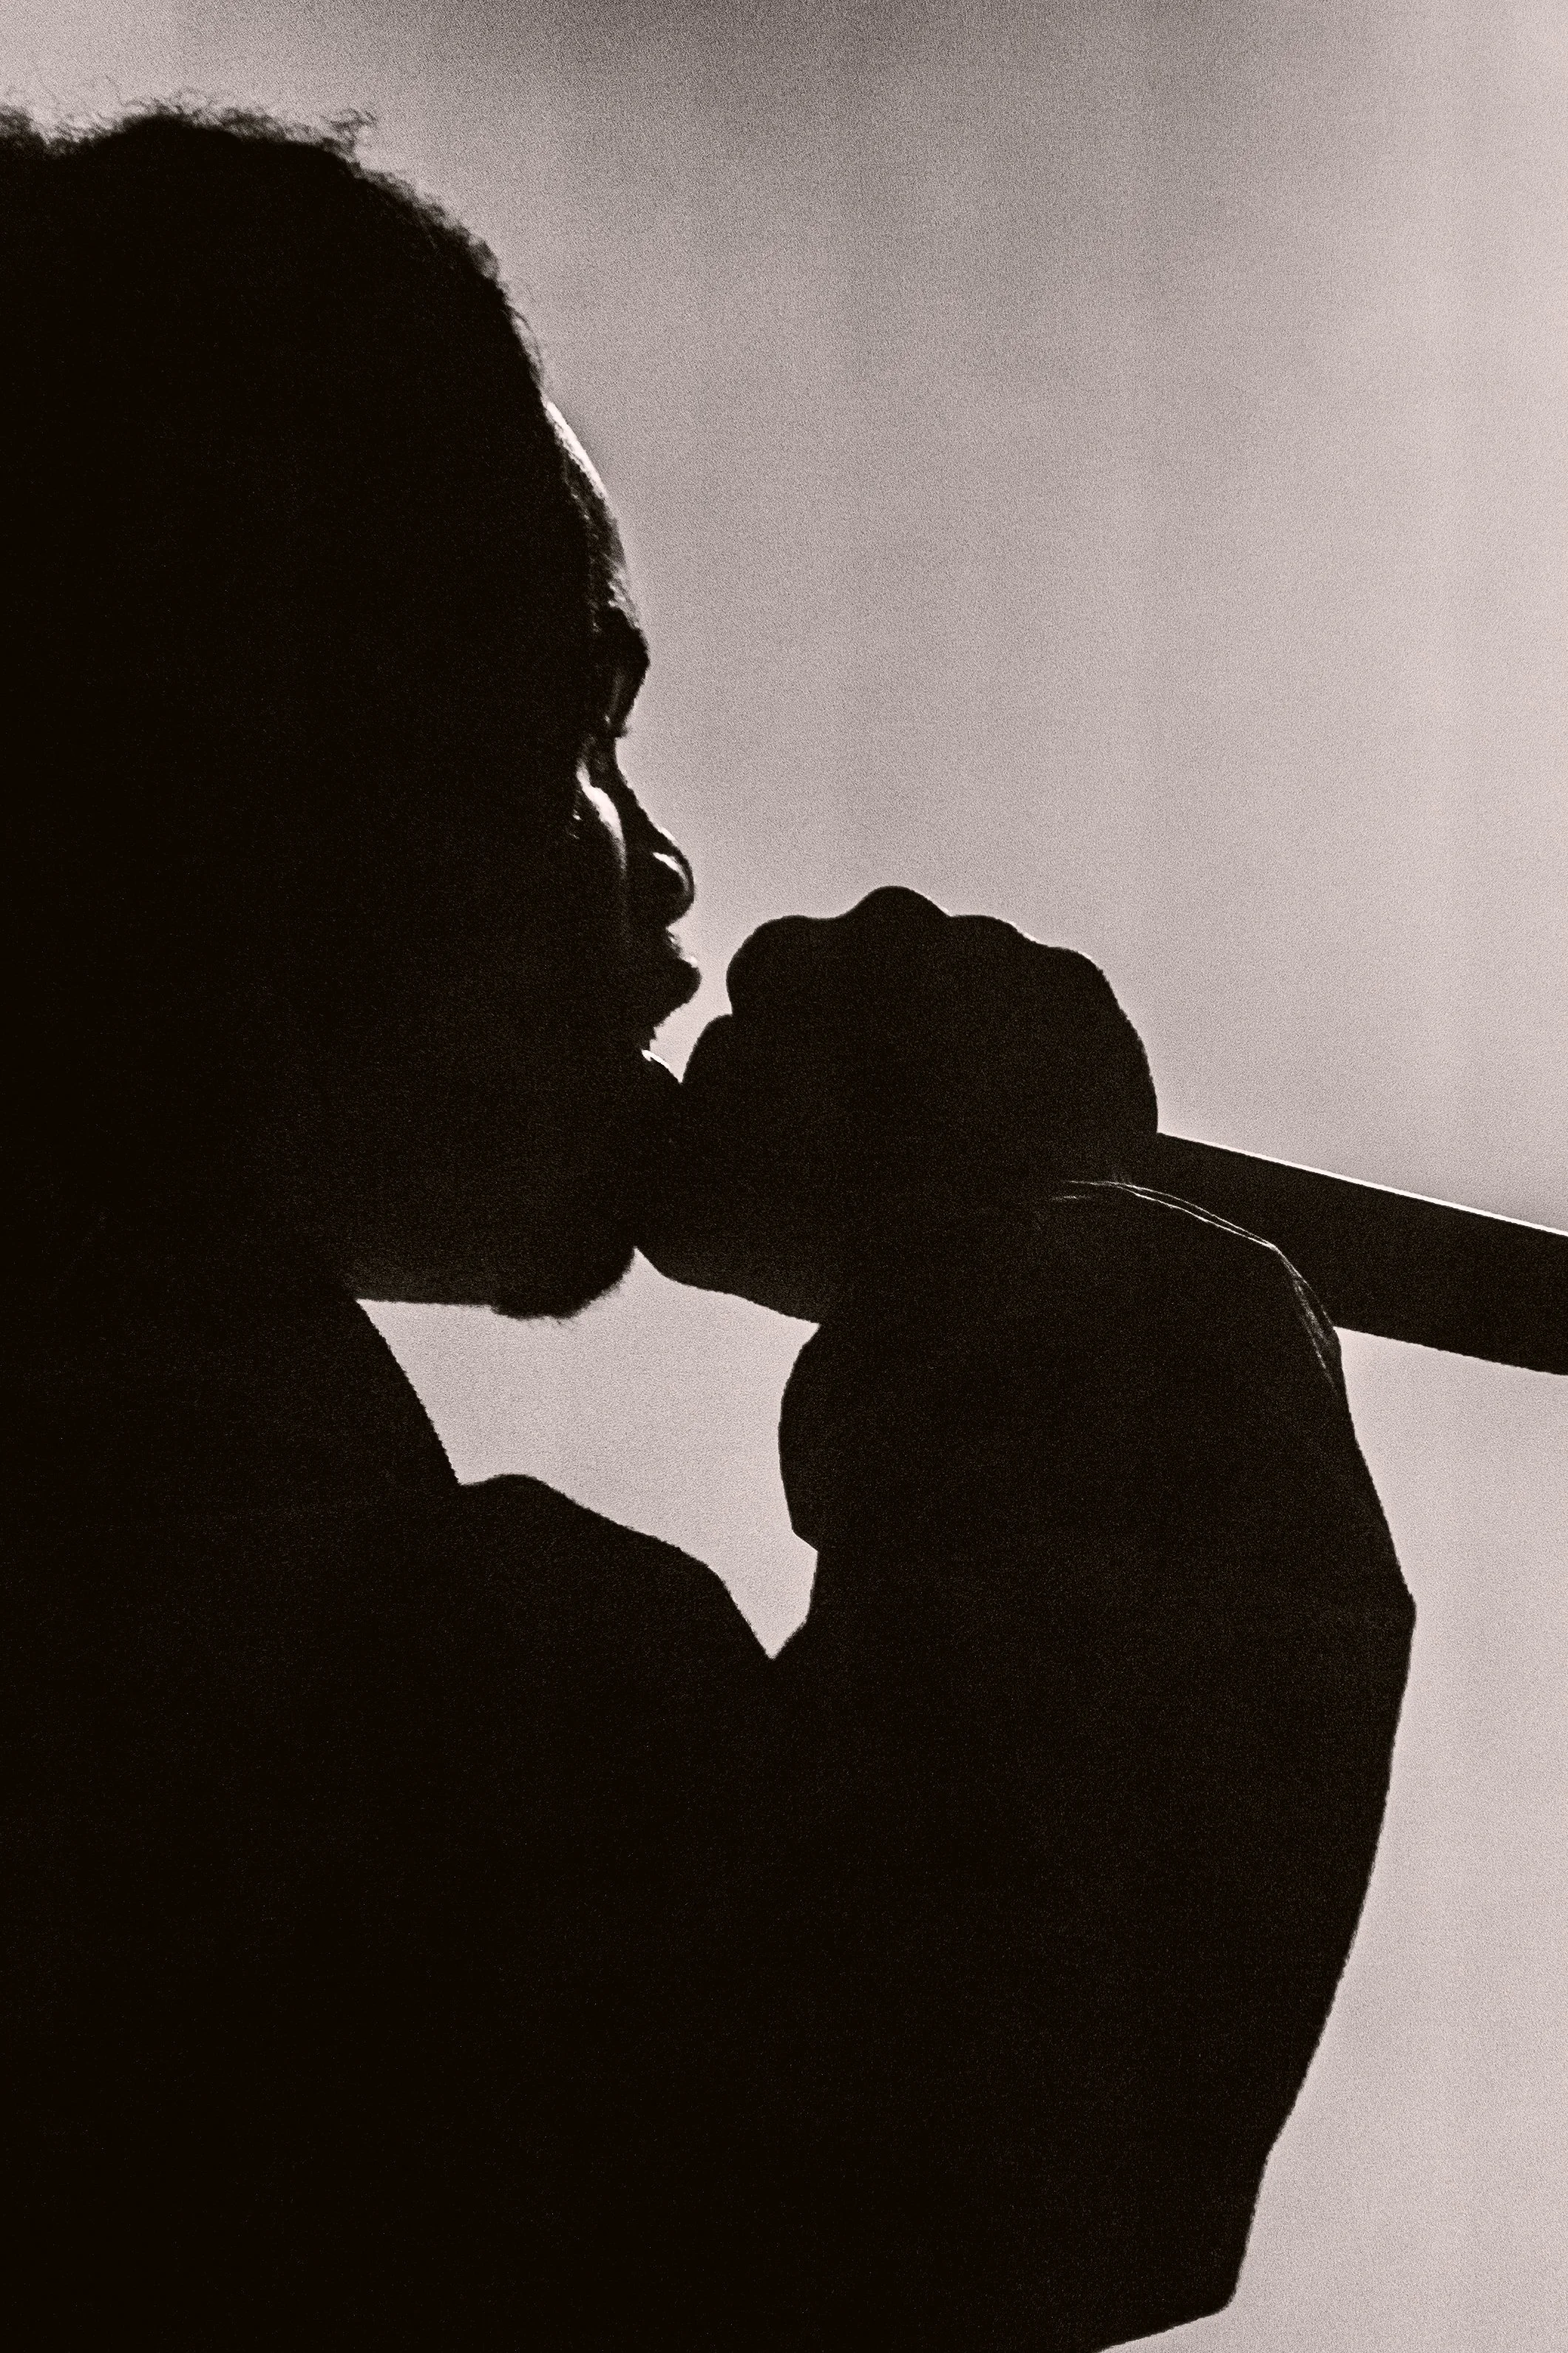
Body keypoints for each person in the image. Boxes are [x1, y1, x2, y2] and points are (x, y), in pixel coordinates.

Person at [0, 107, 1413, 2349]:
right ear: (246, 732)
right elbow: (983, 2116)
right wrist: (1041, 1267)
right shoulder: (237, 1641)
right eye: (573, 714)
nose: (660, 879)